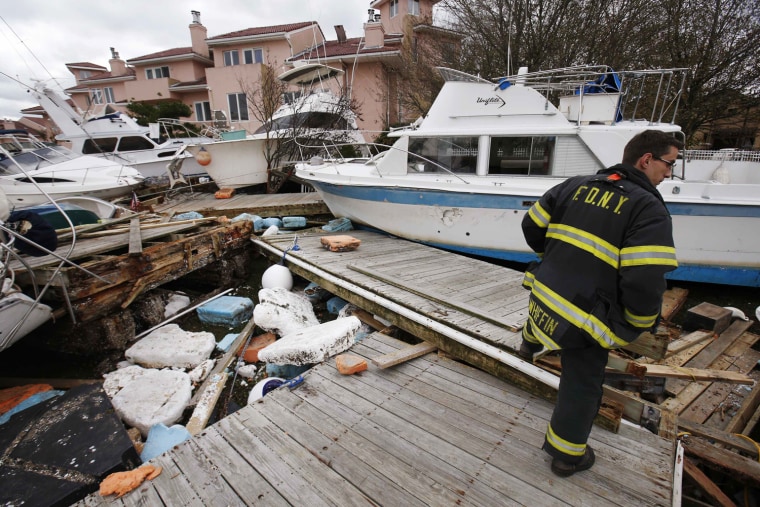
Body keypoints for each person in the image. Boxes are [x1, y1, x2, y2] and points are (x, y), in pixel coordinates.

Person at [519, 129, 683, 477]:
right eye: (669, 164)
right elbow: (644, 278)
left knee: (543, 311)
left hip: (545, 296)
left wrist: (551, 258)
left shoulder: (574, 184)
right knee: (582, 383)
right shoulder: (647, 209)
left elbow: (530, 225)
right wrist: (639, 322)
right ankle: (567, 455)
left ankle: (529, 343)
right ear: (646, 160)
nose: (669, 173)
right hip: (584, 315)